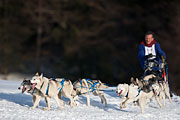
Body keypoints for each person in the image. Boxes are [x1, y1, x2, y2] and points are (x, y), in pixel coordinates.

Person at [138, 31, 172, 97]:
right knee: (148, 73)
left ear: (152, 39)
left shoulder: (156, 44)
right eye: (147, 38)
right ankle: (147, 89)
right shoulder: (142, 45)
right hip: (146, 62)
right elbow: (140, 54)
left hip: (156, 61)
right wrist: (146, 57)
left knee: (162, 71)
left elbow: (160, 51)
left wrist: (163, 56)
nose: (148, 40)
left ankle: (167, 90)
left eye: (149, 38)